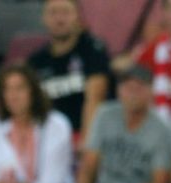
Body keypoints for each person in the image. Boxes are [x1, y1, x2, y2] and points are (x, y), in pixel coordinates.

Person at [0, 63, 74, 183]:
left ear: (33, 91)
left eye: (19, 88)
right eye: (7, 89)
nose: (13, 96)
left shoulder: (57, 125)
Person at [78, 65, 171, 183]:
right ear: (118, 91)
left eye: (139, 88)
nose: (133, 93)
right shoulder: (105, 114)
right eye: (128, 87)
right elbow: (89, 164)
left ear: (151, 92)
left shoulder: (162, 129)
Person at [27, 0, 110, 140]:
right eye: (53, 13)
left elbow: (95, 98)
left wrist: (87, 142)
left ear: (78, 16)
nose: (59, 19)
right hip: (49, 140)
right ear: (43, 18)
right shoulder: (35, 62)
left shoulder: (93, 50)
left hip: (85, 136)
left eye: (65, 12)